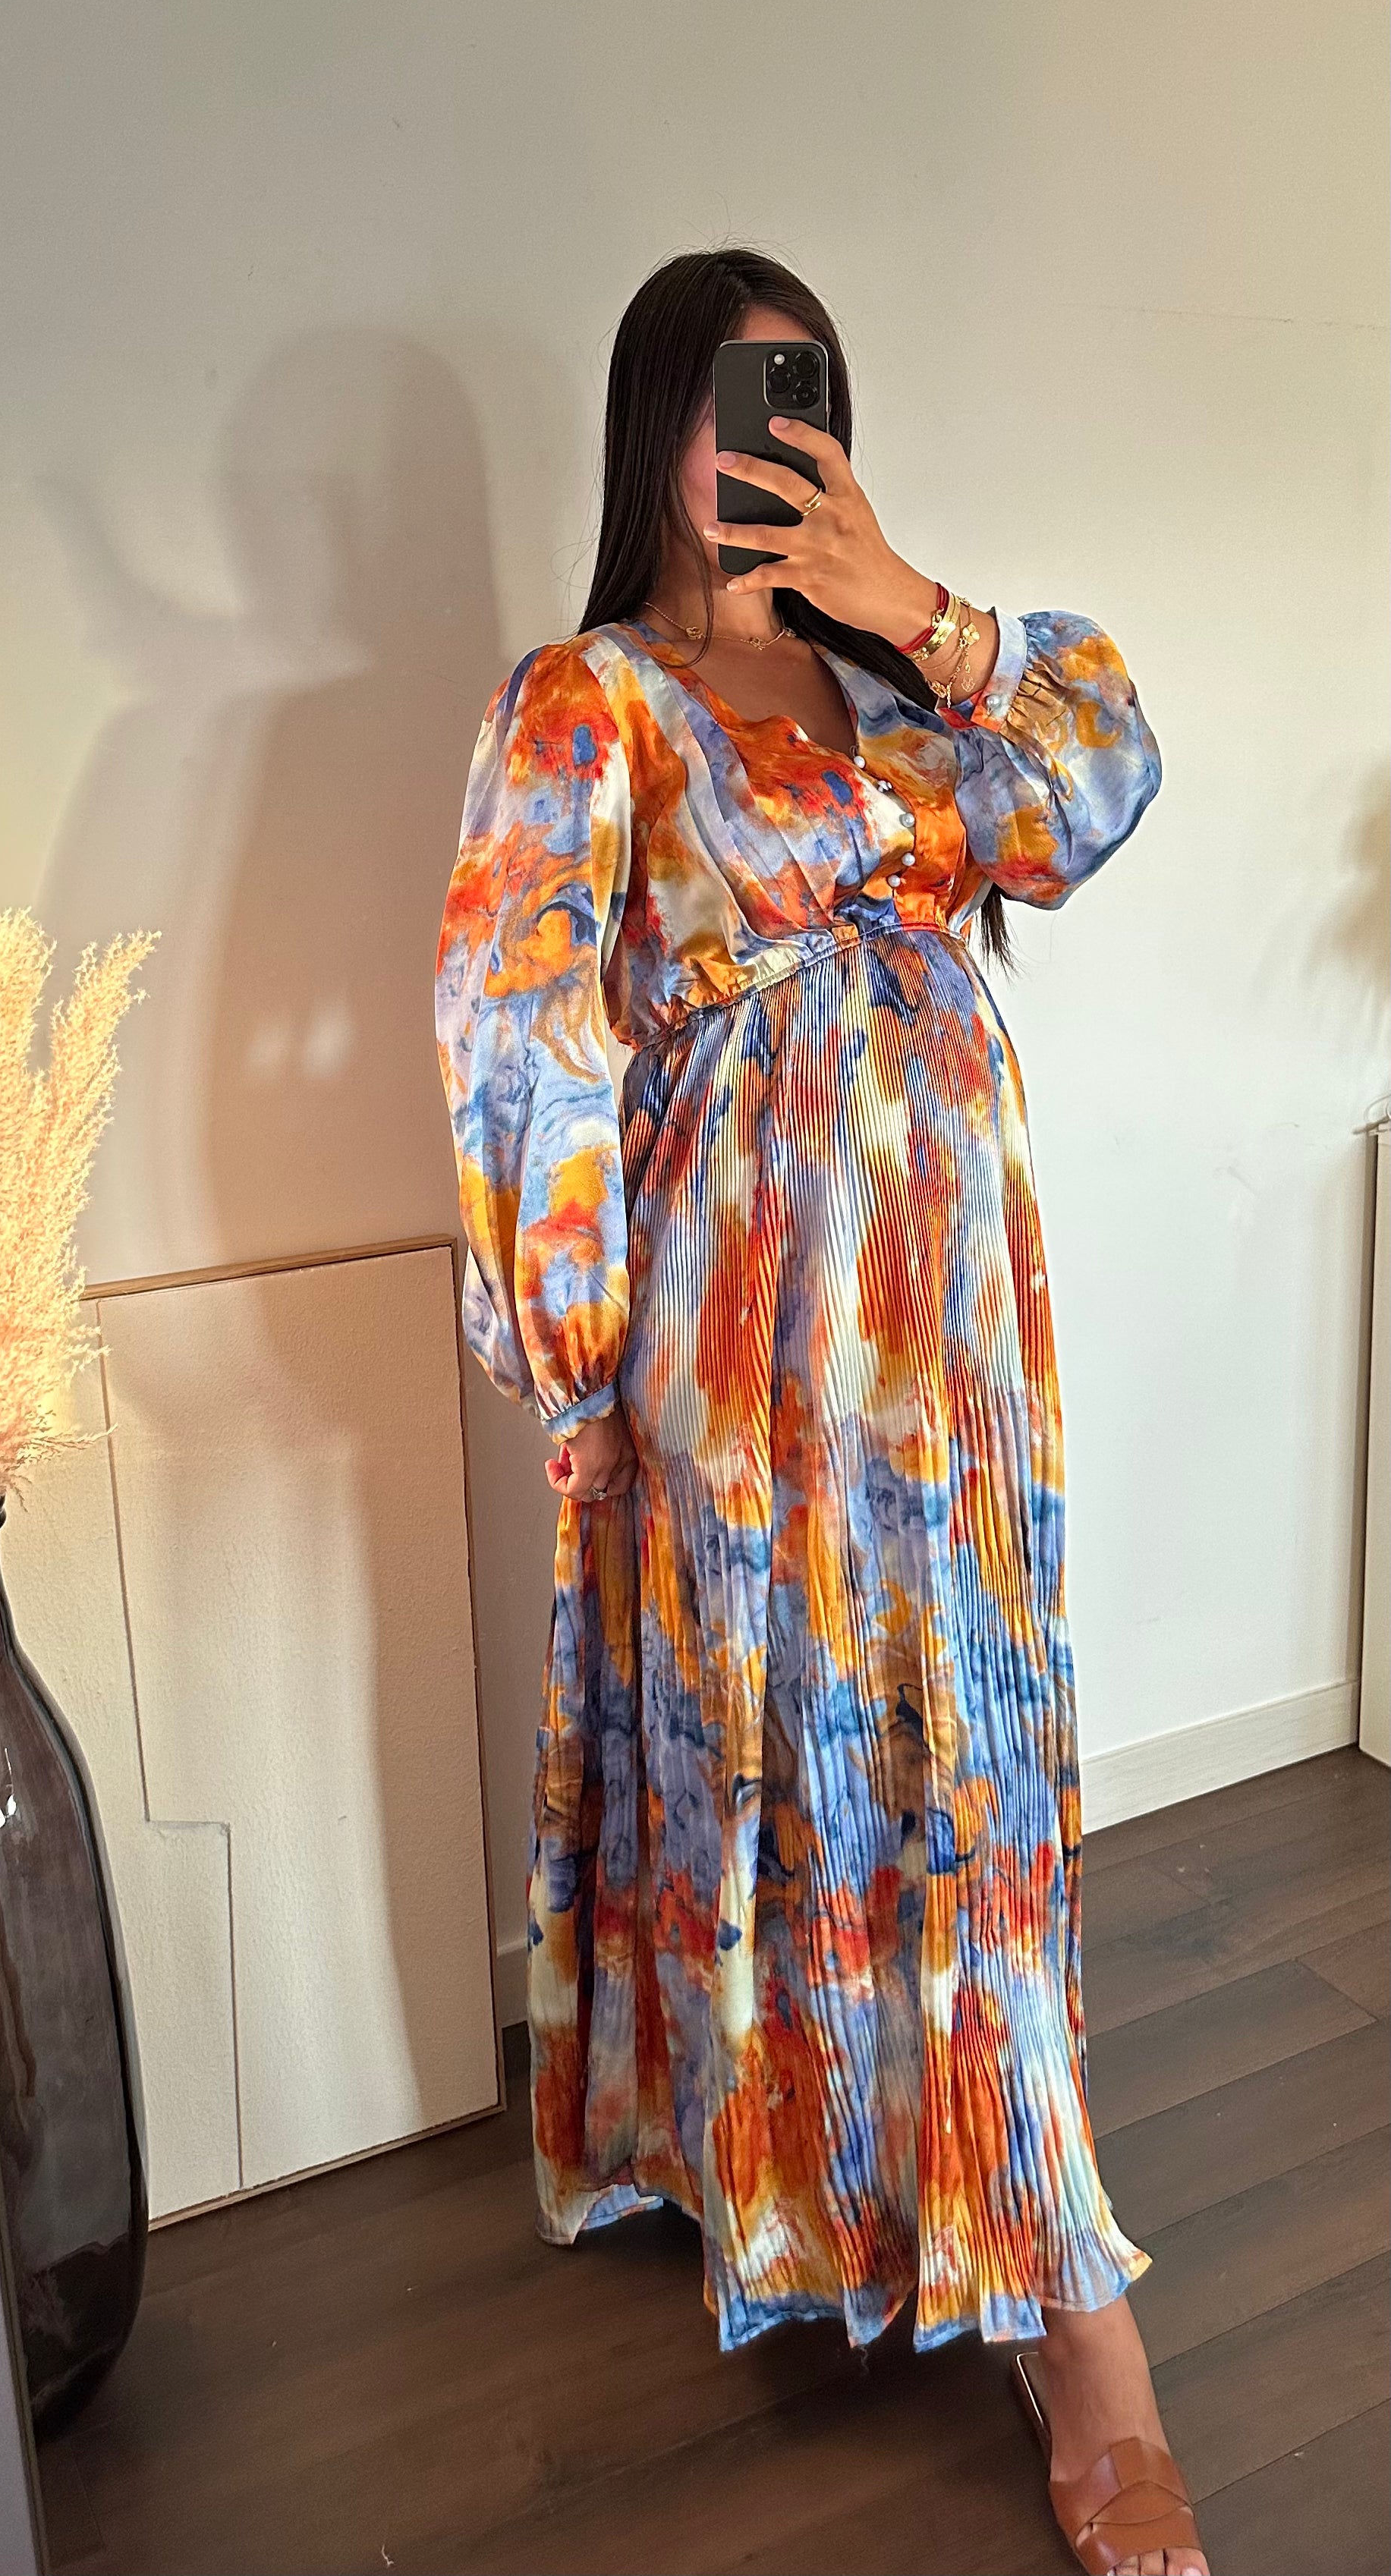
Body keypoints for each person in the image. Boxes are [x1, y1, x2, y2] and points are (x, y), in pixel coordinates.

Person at [435, 249, 1207, 2576]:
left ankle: (1018, 2259)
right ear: (650, 425)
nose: (766, 441)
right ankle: (1053, 2328)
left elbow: (1100, 786)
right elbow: (518, 1037)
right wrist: (575, 1359)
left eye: (805, 396)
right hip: (737, 1358)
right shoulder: (590, 701)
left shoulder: (904, 691)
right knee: (808, 1767)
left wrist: (920, 607)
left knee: (952, 1771)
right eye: (728, 397)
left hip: (951, 1357)